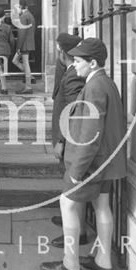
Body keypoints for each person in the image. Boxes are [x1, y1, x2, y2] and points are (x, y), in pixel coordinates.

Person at [41, 38, 127, 270]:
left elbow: (90, 134)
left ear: (93, 62)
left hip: (92, 163)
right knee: (102, 205)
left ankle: (71, 264)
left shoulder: (95, 87)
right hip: (106, 162)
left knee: (67, 203)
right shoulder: (106, 83)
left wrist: (77, 171)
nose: (75, 65)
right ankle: (104, 261)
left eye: (79, 61)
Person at [50, 33, 86, 249]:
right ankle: (72, 222)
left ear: (63, 52)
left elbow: (72, 111)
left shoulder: (73, 74)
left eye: (58, 49)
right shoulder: (70, 70)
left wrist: (61, 140)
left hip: (69, 139)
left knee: (73, 186)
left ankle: (78, 233)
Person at [13, 1, 36, 94]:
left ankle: (28, 87)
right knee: (15, 61)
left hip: (24, 44)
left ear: (20, 7)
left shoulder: (23, 16)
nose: (16, 11)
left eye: (16, 9)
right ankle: (30, 78)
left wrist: (18, 47)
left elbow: (21, 33)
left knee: (26, 64)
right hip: (28, 43)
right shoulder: (30, 15)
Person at [0, 6, 15, 95]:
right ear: (4, 16)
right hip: (6, 51)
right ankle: (4, 88)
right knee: (1, 69)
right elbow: (12, 41)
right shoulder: (8, 27)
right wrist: (11, 49)